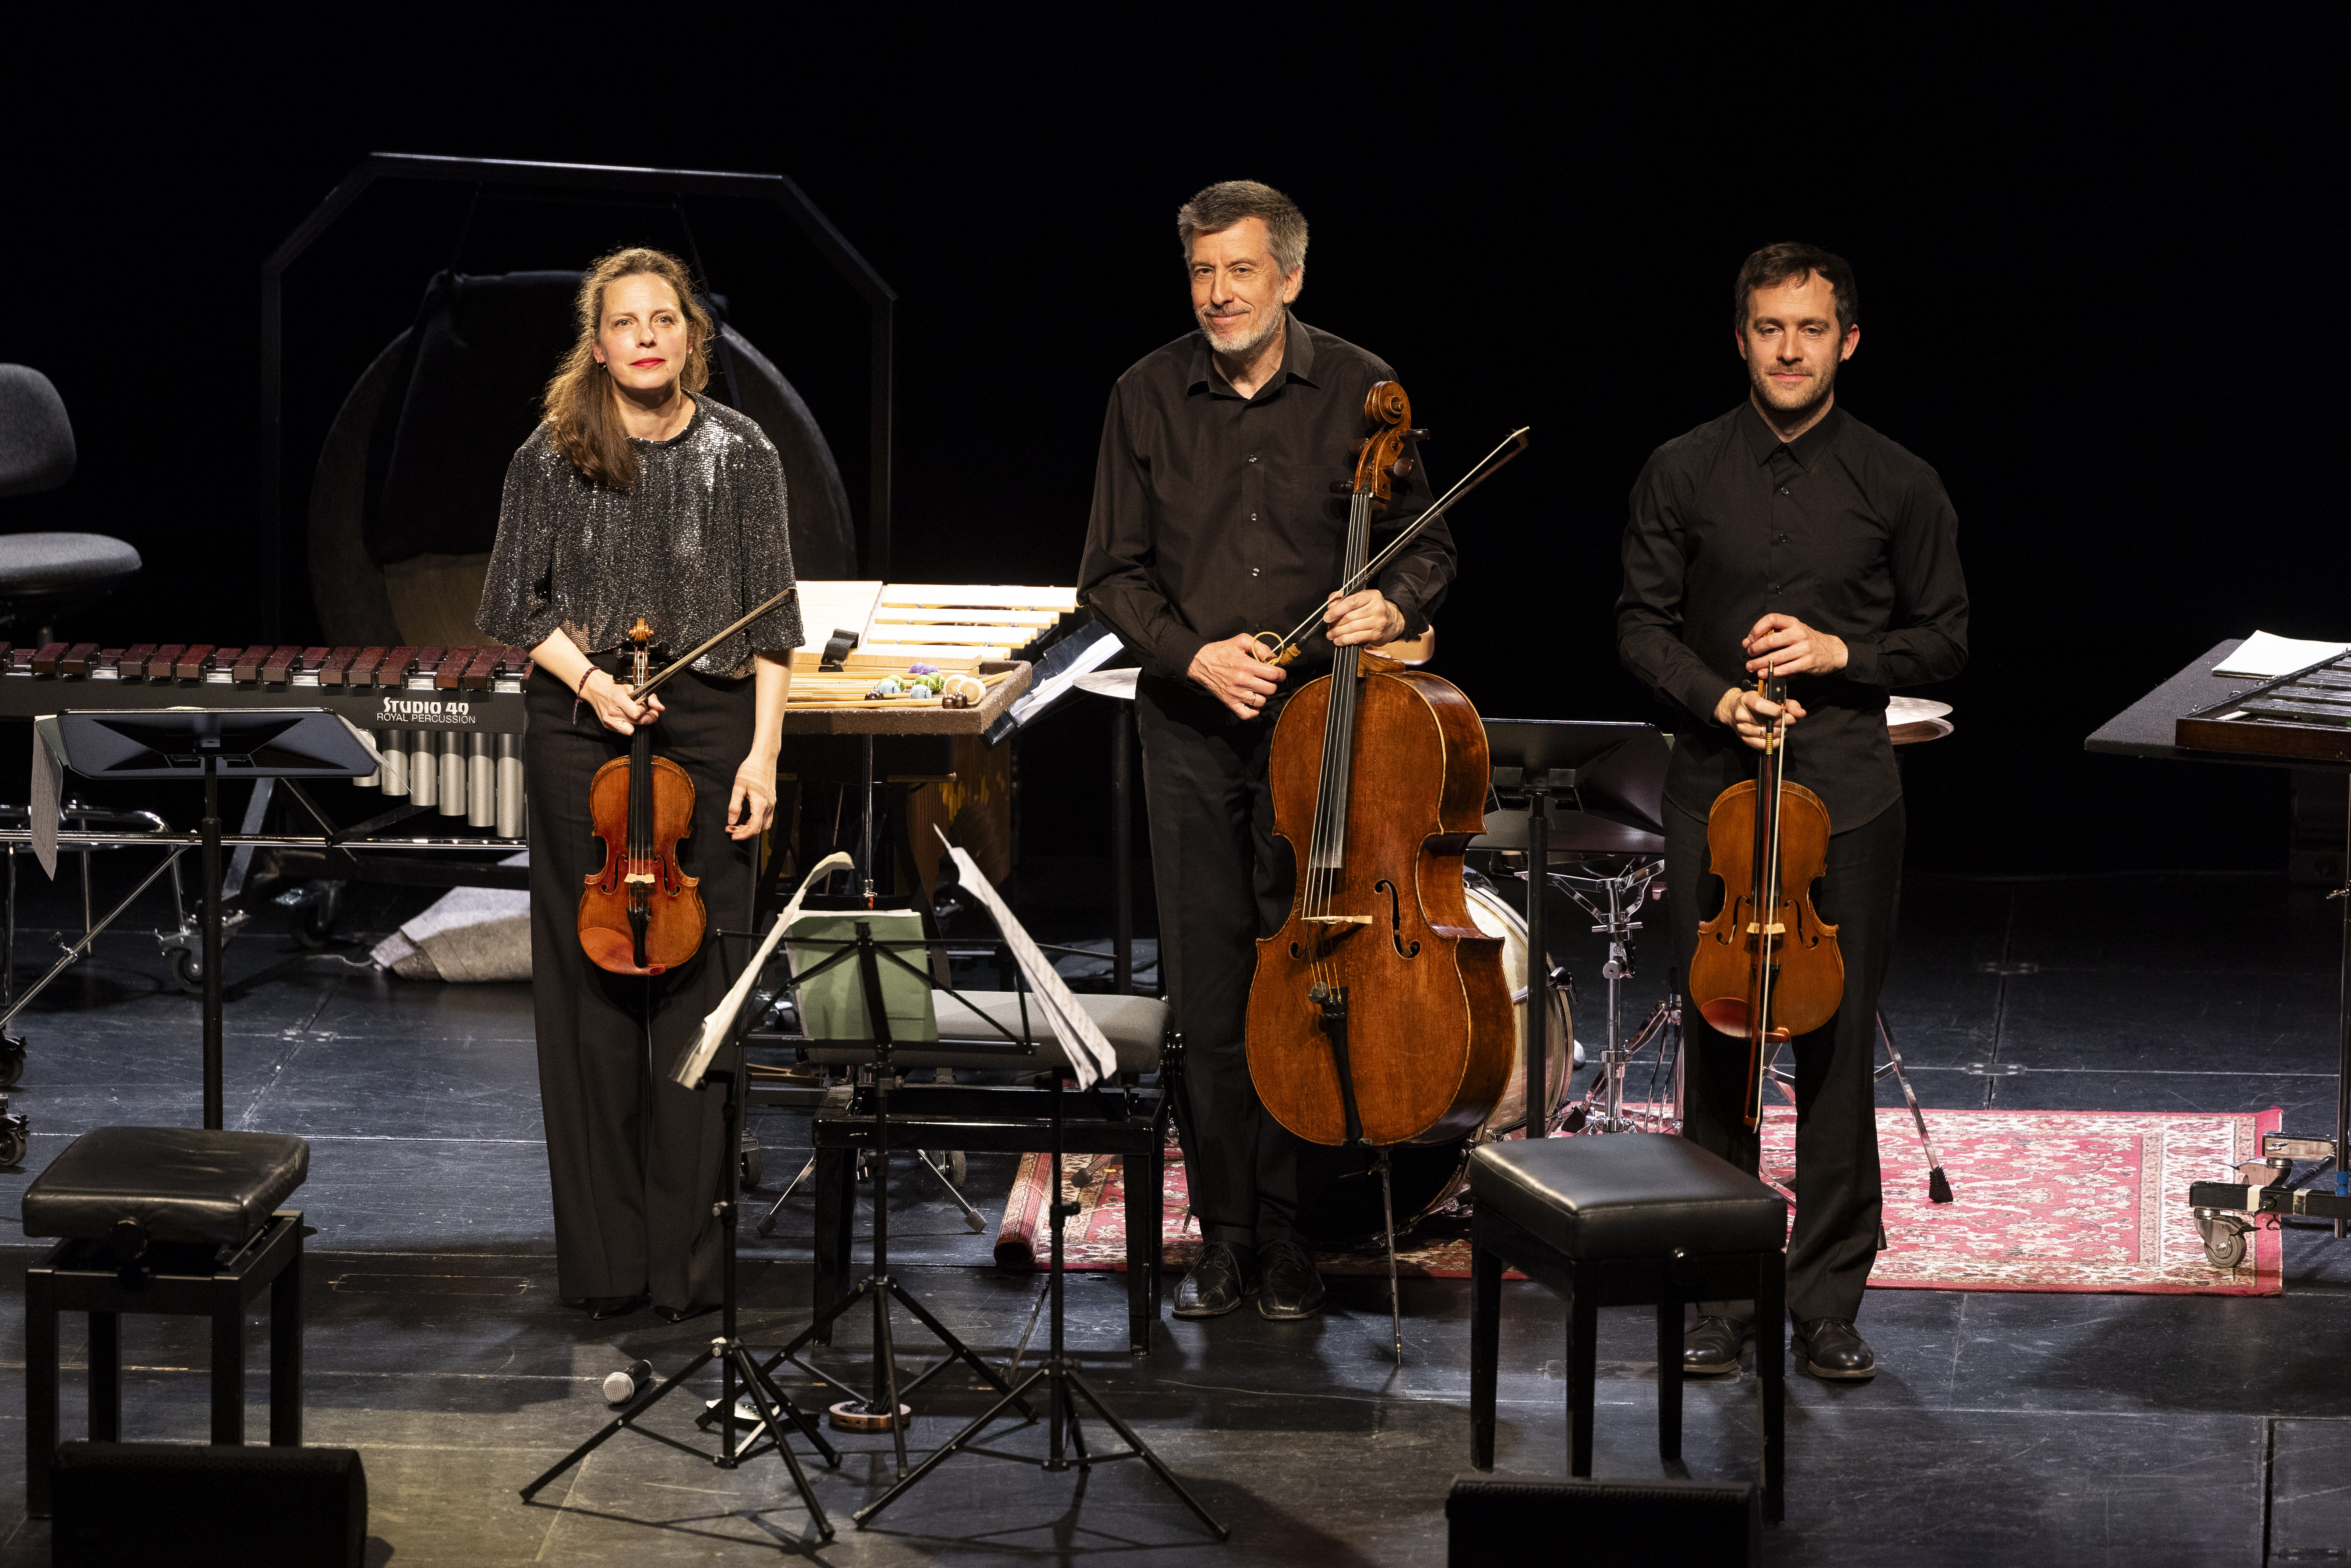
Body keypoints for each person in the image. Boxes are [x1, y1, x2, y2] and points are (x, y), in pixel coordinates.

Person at [1078, 181, 1457, 1322]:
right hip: (1191, 728)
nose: (1218, 294)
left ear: (1288, 277)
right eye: (1201, 273)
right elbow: (1110, 574)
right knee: (1207, 989)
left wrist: (1386, 604)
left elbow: (1427, 549)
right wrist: (1195, 656)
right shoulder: (1144, 394)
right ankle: (1225, 1233)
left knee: (1304, 983)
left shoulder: (1358, 387)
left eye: (1240, 272)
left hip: (1318, 736)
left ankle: (1292, 1236)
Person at [1617, 242, 1967, 1380]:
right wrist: (1717, 696)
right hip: (1714, 790)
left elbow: (1946, 638)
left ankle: (1825, 1302)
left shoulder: (1898, 480)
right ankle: (1716, 1295)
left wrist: (1838, 652)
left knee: (1830, 1045)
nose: (1787, 348)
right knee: (1717, 1043)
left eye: (1809, 329)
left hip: (1848, 793)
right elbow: (1637, 626)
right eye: (1768, 328)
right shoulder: (1678, 469)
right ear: (1740, 339)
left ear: (1846, 341)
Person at [477, 246, 800, 1322]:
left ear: (690, 337)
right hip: (584, 725)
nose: (648, 335)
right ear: (600, 341)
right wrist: (594, 686)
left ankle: (688, 1273)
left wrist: (762, 756)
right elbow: (513, 608)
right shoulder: (552, 455)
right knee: (597, 998)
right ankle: (609, 1267)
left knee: (702, 998)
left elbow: (776, 625)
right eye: (627, 322)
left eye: (666, 318)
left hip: (710, 732)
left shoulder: (743, 452)